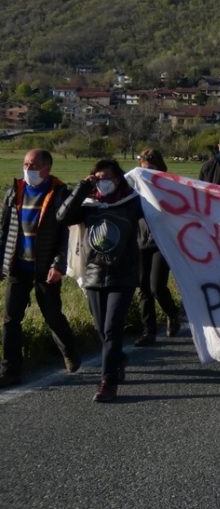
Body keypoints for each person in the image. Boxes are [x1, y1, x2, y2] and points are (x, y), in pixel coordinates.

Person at [57, 159, 143, 402]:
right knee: (101, 330)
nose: (103, 183)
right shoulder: (89, 204)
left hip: (122, 275)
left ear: (118, 179)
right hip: (94, 274)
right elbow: (62, 217)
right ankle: (118, 359)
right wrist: (84, 187)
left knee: (111, 328)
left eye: (108, 178)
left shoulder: (132, 201)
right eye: (98, 178)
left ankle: (107, 382)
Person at [0, 149, 79, 386]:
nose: (27, 169)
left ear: (47, 168)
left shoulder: (59, 194)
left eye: (33, 165)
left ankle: (69, 351)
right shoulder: (14, 191)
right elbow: (4, 230)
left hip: (45, 267)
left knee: (52, 315)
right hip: (18, 266)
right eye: (25, 164)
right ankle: (10, 369)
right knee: (10, 319)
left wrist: (58, 266)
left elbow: (65, 236)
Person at [134, 149, 180, 346]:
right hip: (140, 241)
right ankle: (148, 331)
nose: (147, 172)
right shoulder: (134, 188)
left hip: (162, 242)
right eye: (144, 169)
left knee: (156, 286)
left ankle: (172, 313)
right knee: (143, 286)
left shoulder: (170, 189)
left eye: (151, 169)